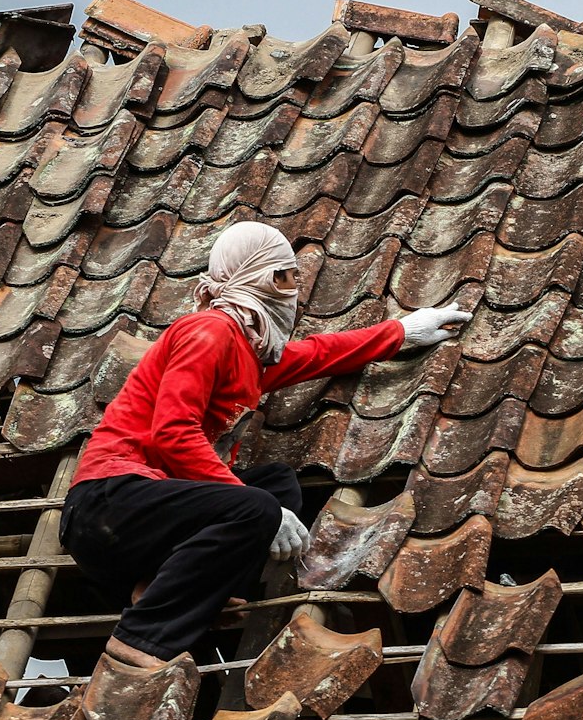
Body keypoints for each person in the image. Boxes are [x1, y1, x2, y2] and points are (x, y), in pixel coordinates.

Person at [60, 220, 471, 667]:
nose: (295, 289)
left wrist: (403, 332)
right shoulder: (209, 331)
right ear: (264, 278)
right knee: (257, 505)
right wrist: (252, 505)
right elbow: (173, 433)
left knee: (276, 485)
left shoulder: (248, 351)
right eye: (288, 275)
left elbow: (318, 353)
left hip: (146, 522)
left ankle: (168, 586)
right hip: (109, 504)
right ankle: (142, 638)